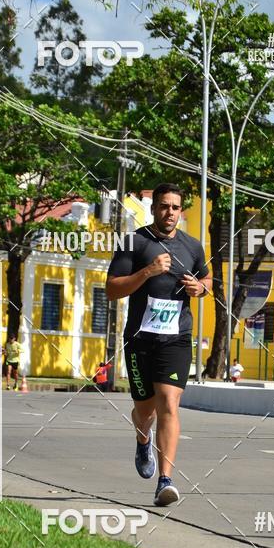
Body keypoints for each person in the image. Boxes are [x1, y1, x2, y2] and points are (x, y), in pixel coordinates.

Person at [106, 182, 212, 507]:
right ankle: (142, 438)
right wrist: (148, 271)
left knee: (169, 403)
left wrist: (201, 289)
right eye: (164, 206)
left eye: (175, 207)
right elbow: (112, 289)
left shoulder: (193, 247)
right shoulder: (133, 243)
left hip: (176, 339)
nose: (169, 212)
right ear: (154, 209)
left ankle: (165, 480)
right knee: (145, 410)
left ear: (181, 211)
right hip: (140, 341)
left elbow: (207, 280)